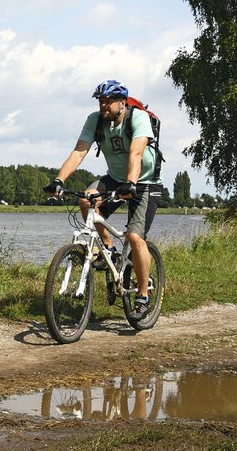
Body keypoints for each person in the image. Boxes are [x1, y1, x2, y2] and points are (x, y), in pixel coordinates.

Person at [44, 79, 162, 319]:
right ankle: (108, 248)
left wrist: (131, 183)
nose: (104, 106)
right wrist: (59, 180)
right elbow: (79, 151)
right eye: (101, 101)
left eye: (109, 101)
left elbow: (136, 151)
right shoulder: (95, 120)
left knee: (134, 236)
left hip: (145, 182)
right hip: (115, 178)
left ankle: (142, 296)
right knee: (87, 201)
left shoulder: (137, 118)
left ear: (122, 103)